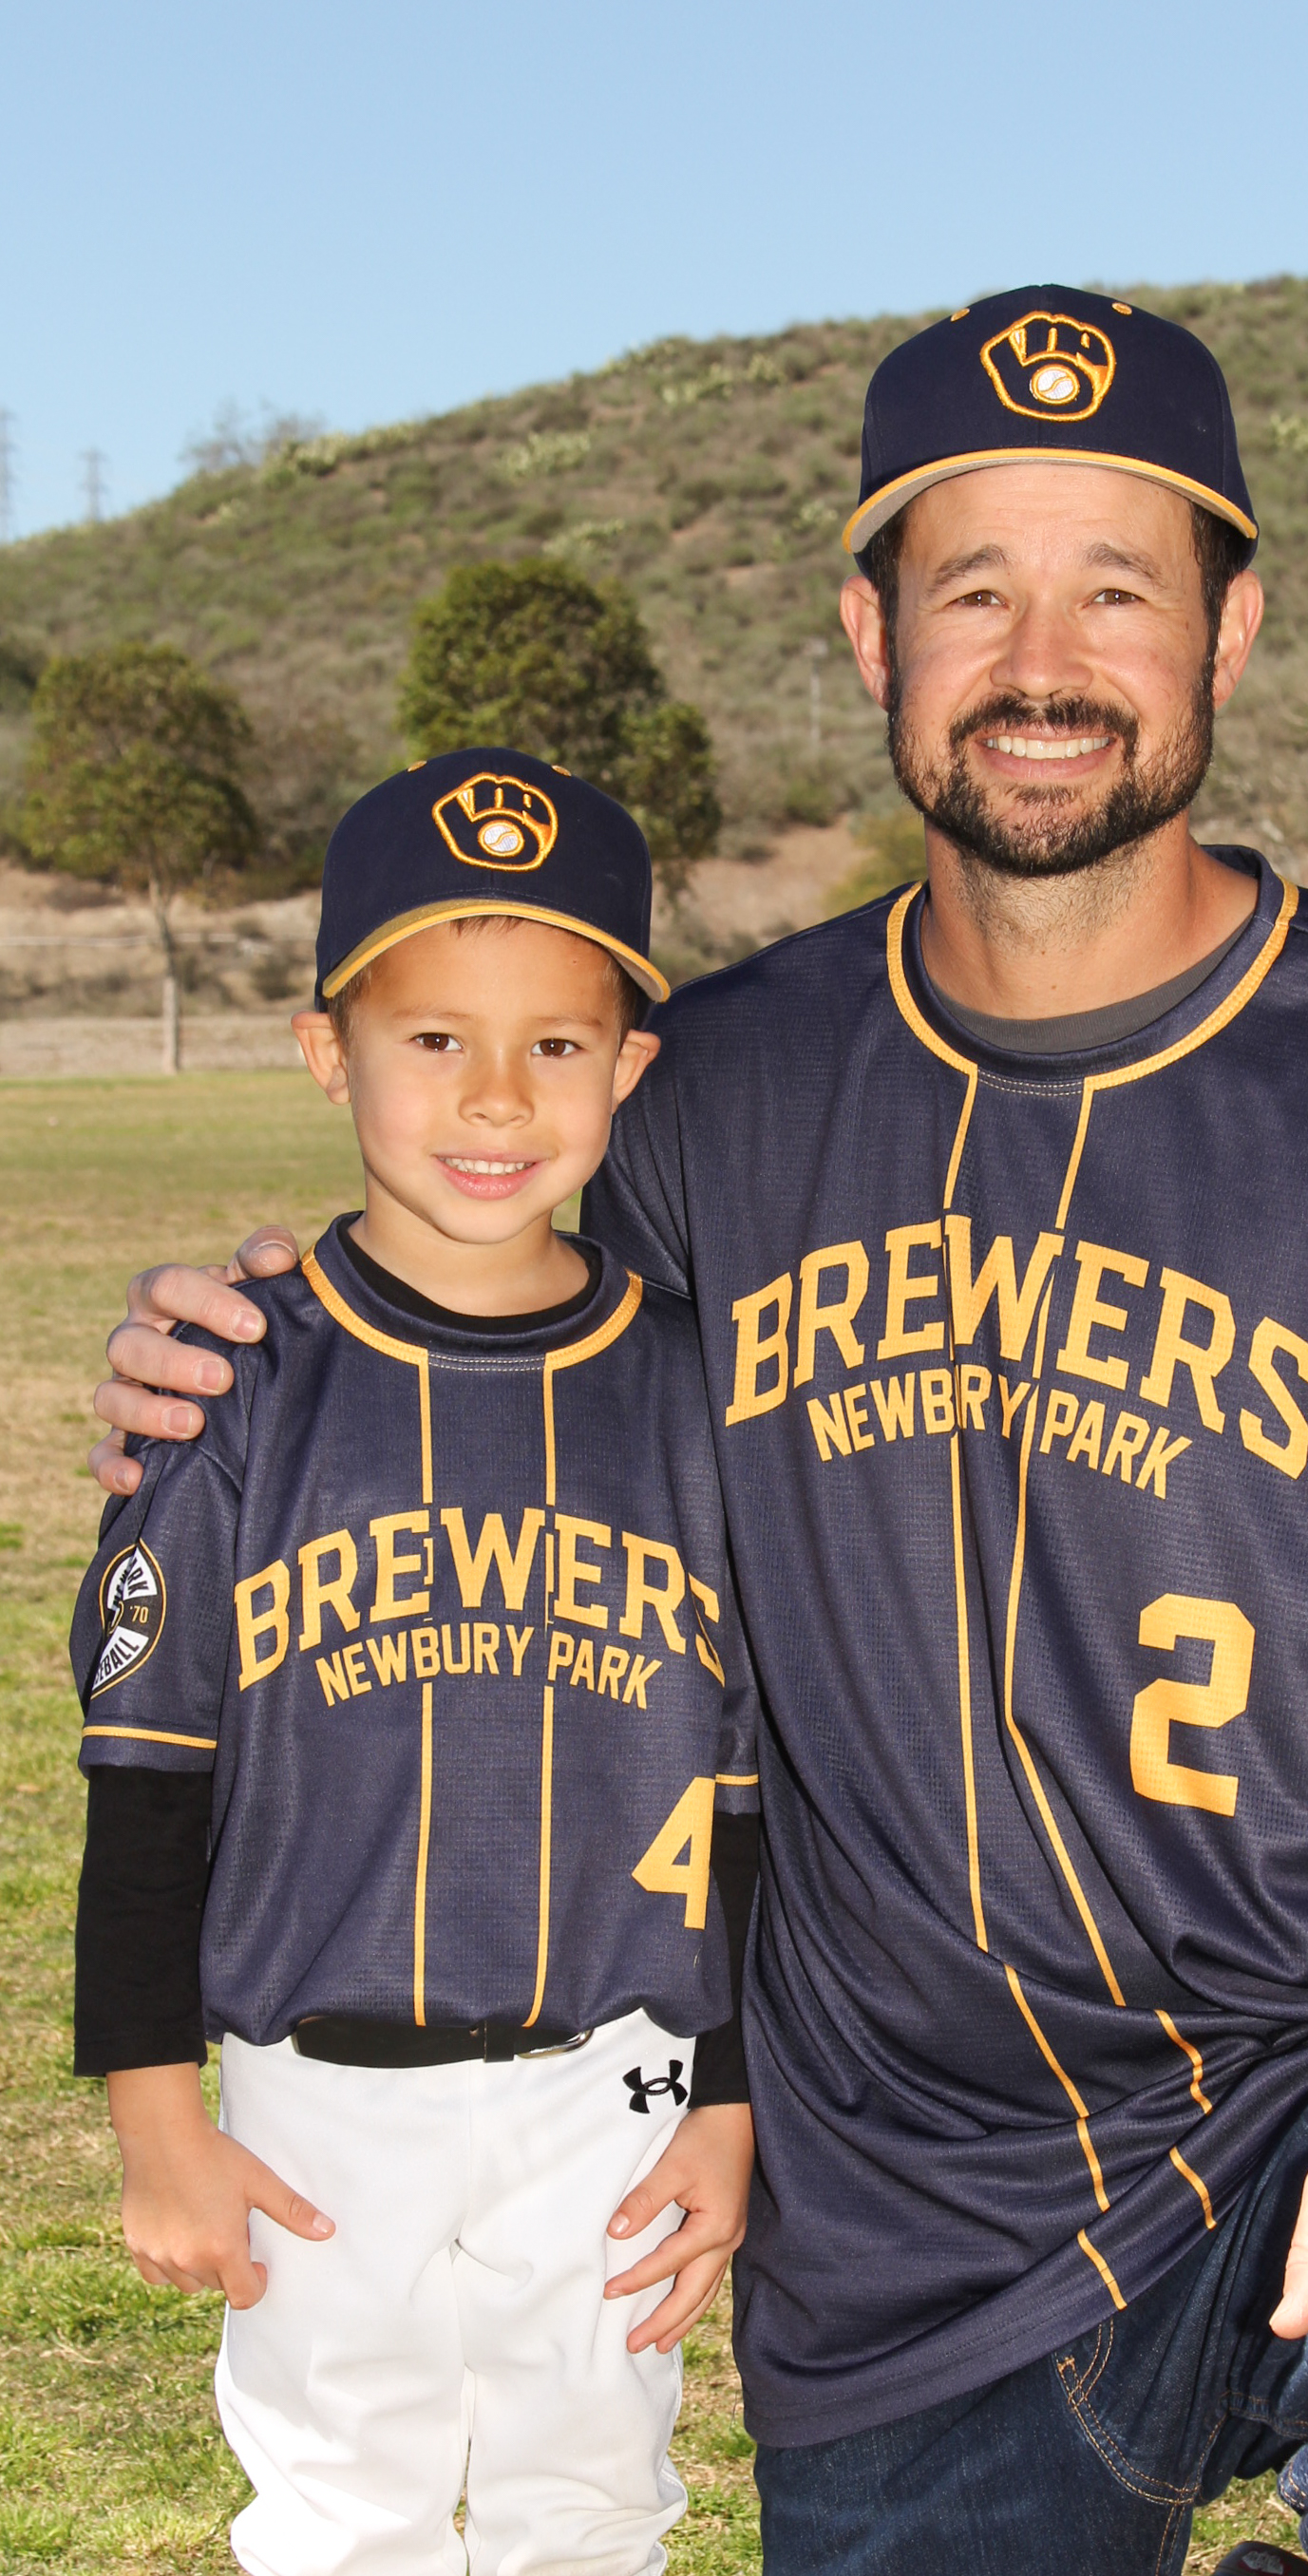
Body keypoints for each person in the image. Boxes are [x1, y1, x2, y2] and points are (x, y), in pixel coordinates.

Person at [91, 292, 1308, 2576]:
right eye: (973, 592)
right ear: (873, 635)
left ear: (1232, 631)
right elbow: (464, 1279)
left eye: (1118, 592)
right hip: (897, 2209)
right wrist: (233, 1343)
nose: (1041, 662)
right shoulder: (720, 1093)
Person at [71, 751, 761, 2576]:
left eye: (557, 1043)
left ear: (629, 1066)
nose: (495, 1095)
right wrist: (156, 2120)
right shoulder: (234, 1387)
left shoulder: (693, 1391)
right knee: (337, 2512)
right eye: (434, 1037)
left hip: (613, 2071)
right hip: (315, 2087)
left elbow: (746, 1798)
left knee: (591, 2507)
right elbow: (145, 1786)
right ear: (330, 1052)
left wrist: (727, 2094)